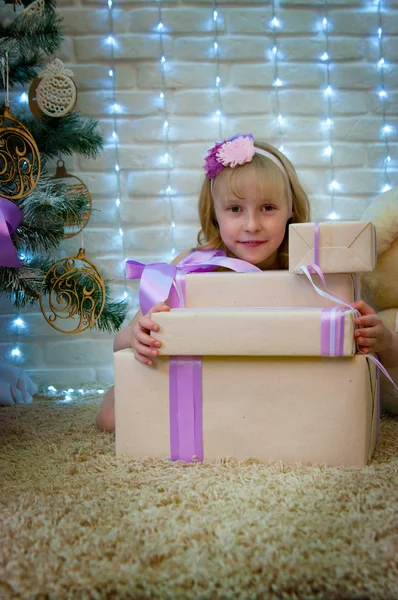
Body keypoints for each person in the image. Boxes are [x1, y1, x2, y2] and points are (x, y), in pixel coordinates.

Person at [96, 134, 398, 432]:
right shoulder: (193, 267)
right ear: (215, 213)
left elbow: (368, 352)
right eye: (235, 209)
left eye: (268, 208)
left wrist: (383, 340)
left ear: (291, 208)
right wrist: (137, 335)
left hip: (282, 389)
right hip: (209, 385)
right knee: (111, 420)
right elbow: (120, 340)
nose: (252, 225)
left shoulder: (314, 271)